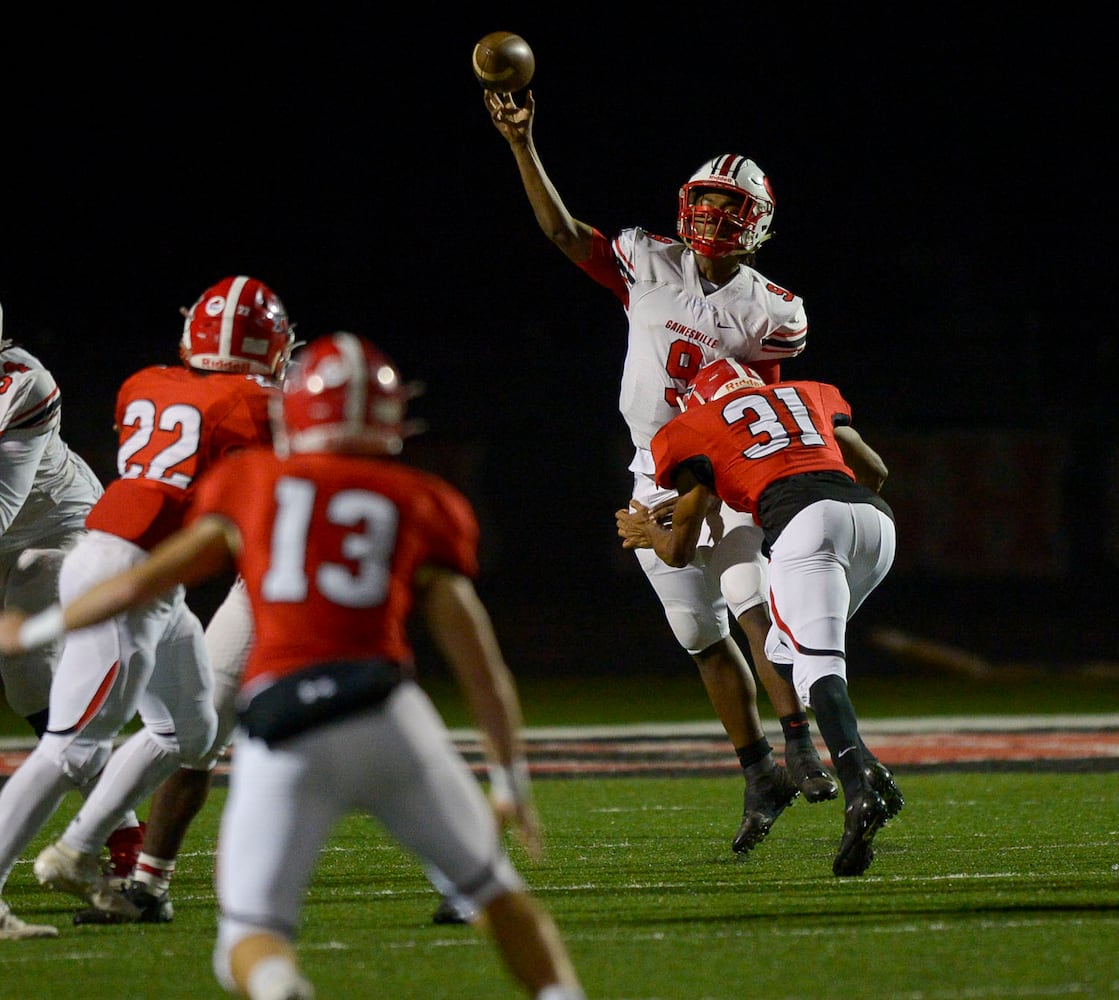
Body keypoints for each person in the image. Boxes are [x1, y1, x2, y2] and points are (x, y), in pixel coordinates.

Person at [0, 331, 588, 1000]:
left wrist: (39, 628)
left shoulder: (248, 483)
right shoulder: (424, 501)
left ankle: (265, 976)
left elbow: (140, 580)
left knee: (250, 937)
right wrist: (508, 777)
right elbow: (480, 666)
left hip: (283, 724)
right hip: (386, 711)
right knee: (495, 896)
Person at [484, 89, 836, 855]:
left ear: (758, 220)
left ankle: (799, 738)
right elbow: (560, 231)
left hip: (728, 464)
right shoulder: (648, 260)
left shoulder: (775, 308)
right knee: (696, 632)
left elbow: (761, 410)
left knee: (750, 598)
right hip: (652, 467)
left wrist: (719, 492)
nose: (711, 216)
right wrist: (522, 143)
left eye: (728, 205)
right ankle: (757, 772)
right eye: (704, 201)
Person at [0, 275, 293, 938]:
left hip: (145, 574)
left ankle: (79, 847)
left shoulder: (146, 383)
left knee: (187, 732)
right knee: (70, 750)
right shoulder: (256, 405)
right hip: (128, 570)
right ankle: (53, 857)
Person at [615, 358, 905, 876]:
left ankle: (859, 782)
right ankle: (861, 764)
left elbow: (678, 550)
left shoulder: (695, 426)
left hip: (808, 526)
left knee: (818, 669)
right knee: (789, 652)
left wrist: (647, 533)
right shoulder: (808, 393)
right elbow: (876, 471)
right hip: (875, 523)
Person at [0, 301, 146, 939]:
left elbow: (2, 511)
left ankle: (123, 837)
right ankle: (127, 839)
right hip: (19, 546)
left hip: (64, 538)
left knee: (29, 674)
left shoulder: (21, 381)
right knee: (35, 695)